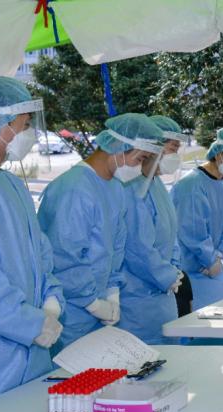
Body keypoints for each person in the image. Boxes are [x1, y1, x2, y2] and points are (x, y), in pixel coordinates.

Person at [0, 76, 64, 406]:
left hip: (32, 356)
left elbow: (40, 252)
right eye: (24, 124)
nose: (29, 133)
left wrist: (51, 300)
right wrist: (31, 323)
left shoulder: (11, 184)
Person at [38, 113, 163, 349]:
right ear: (119, 147)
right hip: (71, 313)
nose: (140, 168)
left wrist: (112, 291)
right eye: (140, 159)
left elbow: (116, 247)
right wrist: (92, 303)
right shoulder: (74, 189)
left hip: (97, 308)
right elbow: (64, 258)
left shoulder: (115, 188)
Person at [116, 115, 186, 344]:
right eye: (173, 148)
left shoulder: (156, 185)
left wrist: (174, 268)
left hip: (163, 298)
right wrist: (166, 275)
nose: (175, 155)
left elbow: (171, 234)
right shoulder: (130, 187)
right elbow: (137, 247)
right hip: (137, 300)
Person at [171, 126, 223, 310]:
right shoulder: (191, 185)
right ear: (217, 153)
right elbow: (192, 231)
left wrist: (219, 254)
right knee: (193, 321)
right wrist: (209, 259)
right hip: (190, 269)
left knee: (219, 316)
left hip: (214, 267)